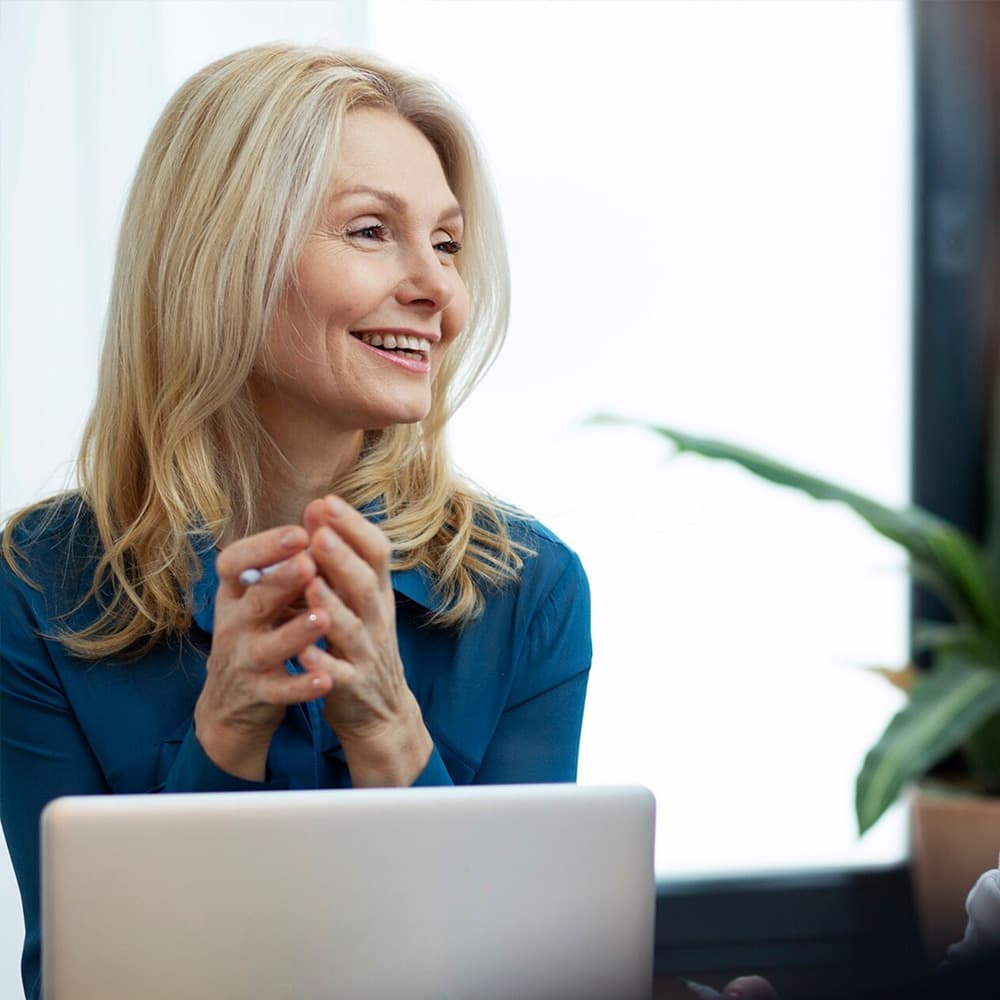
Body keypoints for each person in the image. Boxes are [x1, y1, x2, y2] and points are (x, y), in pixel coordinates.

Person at [0, 44, 591, 1000]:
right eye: (370, 231)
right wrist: (227, 728)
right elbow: (85, 982)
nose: (438, 290)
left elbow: (524, 976)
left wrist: (389, 726)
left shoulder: (530, 588)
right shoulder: (38, 584)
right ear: (223, 257)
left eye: (445, 243)